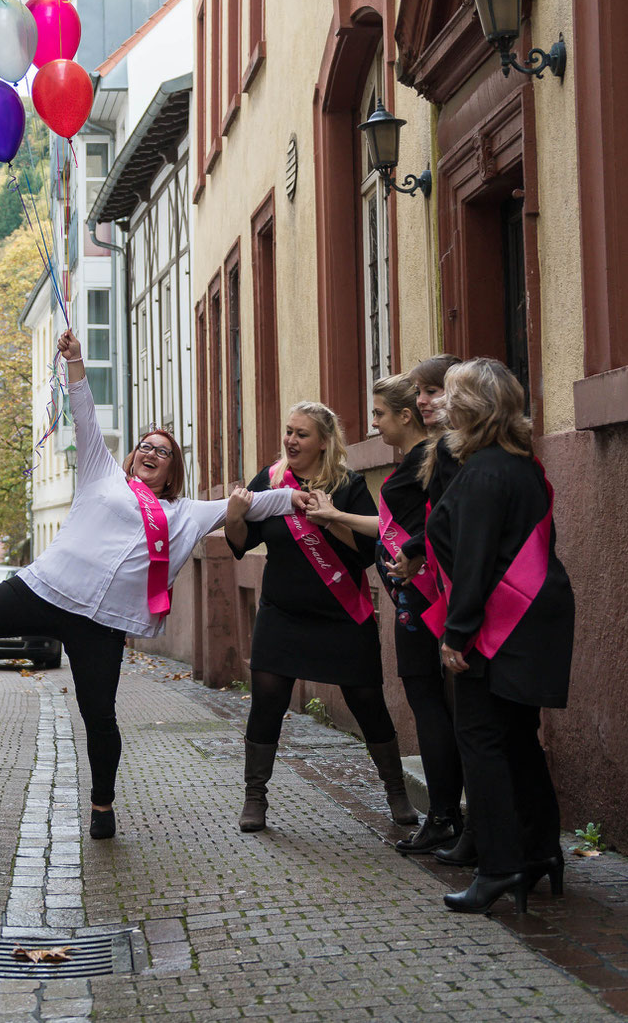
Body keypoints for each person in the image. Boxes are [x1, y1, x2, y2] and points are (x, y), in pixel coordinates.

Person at [0, 328, 310, 840]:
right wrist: (75, 363)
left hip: (103, 622)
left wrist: (295, 500)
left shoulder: (184, 514)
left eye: (161, 450)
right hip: (47, 587)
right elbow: (85, 414)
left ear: (172, 469)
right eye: (144, 445)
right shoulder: (101, 473)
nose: (149, 451)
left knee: (100, 714)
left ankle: (102, 805)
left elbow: (256, 505)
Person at [427, 358, 575, 914]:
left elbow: (474, 560)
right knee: (517, 742)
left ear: (469, 408)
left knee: (483, 743)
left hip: (498, 629)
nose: (441, 405)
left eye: (450, 395)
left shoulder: (486, 471)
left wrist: (456, 634)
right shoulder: (520, 465)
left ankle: (498, 866)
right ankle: (540, 852)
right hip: (530, 622)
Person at [227, 401, 416, 832]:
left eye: (302, 434)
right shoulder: (272, 481)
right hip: (281, 615)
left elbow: (370, 551)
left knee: (367, 701)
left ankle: (397, 794)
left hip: (341, 613)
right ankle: (255, 798)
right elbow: (242, 542)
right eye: (288, 432)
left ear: (325, 442)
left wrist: (329, 520)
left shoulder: (347, 485)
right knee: (267, 702)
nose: (291, 441)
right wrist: (236, 516)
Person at [310, 367, 467, 857]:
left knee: (429, 703)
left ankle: (445, 815)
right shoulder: (421, 457)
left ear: (405, 415)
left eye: (379, 414)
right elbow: (394, 524)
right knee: (433, 704)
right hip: (416, 593)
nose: (373, 423)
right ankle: (450, 814)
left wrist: (411, 551)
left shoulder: (431, 457)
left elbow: (428, 524)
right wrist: (335, 517)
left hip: (425, 597)